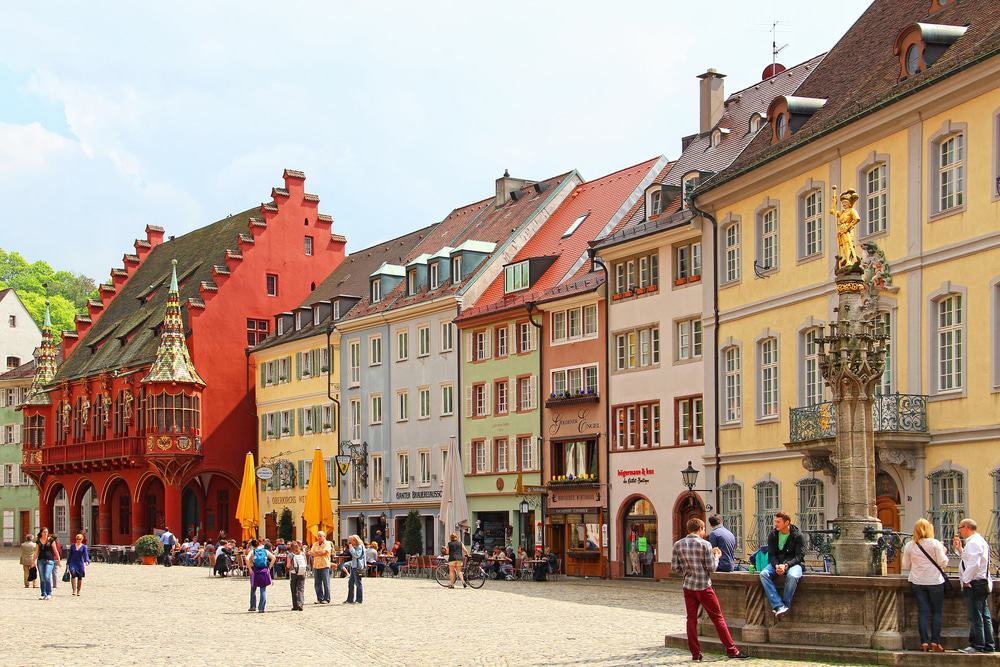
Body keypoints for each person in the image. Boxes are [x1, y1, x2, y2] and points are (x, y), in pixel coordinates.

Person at [672, 517, 750, 661]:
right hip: (704, 587)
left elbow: (675, 568)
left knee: (691, 619)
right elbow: (712, 568)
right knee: (718, 618)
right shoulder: (705, 544)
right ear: (700, 529)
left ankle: (695, 654)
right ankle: (732, 650)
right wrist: (717, 556)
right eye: (703, 529)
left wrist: (688, 570)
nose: (704, 532)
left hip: (688, 586)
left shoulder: (678, 544)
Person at [901, 518, 948, 652]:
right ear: (929, 529)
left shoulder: (910, 545)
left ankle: (924, 642)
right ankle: (935, 642)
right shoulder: (935, 544)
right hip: (935, 581)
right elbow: (943, 562)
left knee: (923, 611)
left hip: (917, 581)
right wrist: (944, 552)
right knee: (937, 612)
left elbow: (905, 564)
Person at [953, 518, 995, 654]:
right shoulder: (977, 541)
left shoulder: (974, 542)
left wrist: (966, 580)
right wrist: (959, 550)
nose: (959, 531)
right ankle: (988, 644)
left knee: (975, 616)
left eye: (960, 528)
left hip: (975, 583)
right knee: (984, 615)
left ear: (966, 527)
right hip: (980, 582)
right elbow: (969, 559)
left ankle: (978, 645)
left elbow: (974, 564)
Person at [758, 511, 805, 618]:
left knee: (792, 576)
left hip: (794, 564)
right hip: (777, 564)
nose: (775, 524)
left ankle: (785, 605)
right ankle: (778, 605)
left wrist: (786, 565)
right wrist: (776, 566)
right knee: (763, 574)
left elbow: (799, 557)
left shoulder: (798, 536)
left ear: (787, 522)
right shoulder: (772, 535)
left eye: (778, 522)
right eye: (775, 521)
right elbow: (771, 554)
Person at [245, 539, 276, 613]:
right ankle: (261, 608)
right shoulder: (265, 551)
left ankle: (252, 606)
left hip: (254, 571)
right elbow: (274, 558)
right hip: (264, 571)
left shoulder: (252, 551)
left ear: (252, 545)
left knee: (253, 589)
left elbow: (246, 558)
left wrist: (249, 569)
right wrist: (269, 567)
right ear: (259, 544)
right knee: (263, 590)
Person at [33, 527, 59, 600]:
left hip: (50, 561)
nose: (46, 533)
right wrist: (33, 561)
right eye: (44, 532)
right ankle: (43, 593)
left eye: (47, 532)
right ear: (41, 533)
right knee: (42, 578)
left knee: (47, 576)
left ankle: (49, 593)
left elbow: (55, 551)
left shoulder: (51, 540)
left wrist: (58, 561)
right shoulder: (38, 541)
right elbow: (36, 552)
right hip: (40, 561)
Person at [309, 531, 333, 604]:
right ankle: (320, 598)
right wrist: (319, 553)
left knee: (326, 583)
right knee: (317, 583)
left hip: (325, 565)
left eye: (320, 536)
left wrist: (316, 553)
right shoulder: (315, 544)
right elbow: (311, 553)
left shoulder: (327, 543)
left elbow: (325, 552)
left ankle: (327, 598)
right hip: (316, 565)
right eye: (318, 536)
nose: (319, 537)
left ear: (324, 536)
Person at [343, 534, 366, 604]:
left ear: (355, 540)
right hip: (354, 567)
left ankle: (359, 600)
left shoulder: (359, 546)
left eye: (351, 541)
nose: (350, 542)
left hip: (358, 567)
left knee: (358, 583)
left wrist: (351, 548)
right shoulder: (356, 546)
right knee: (350, 583)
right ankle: (350, 599)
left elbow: (357, 555)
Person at [288, 541, 307, 611]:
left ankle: (295, 606)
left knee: (294, 589)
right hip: (302, 572)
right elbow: (305, 563)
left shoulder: (290, 555)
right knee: (301, 589)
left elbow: (288, 565)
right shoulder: (302, 554)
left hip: (293, 573)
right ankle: (301, 604)